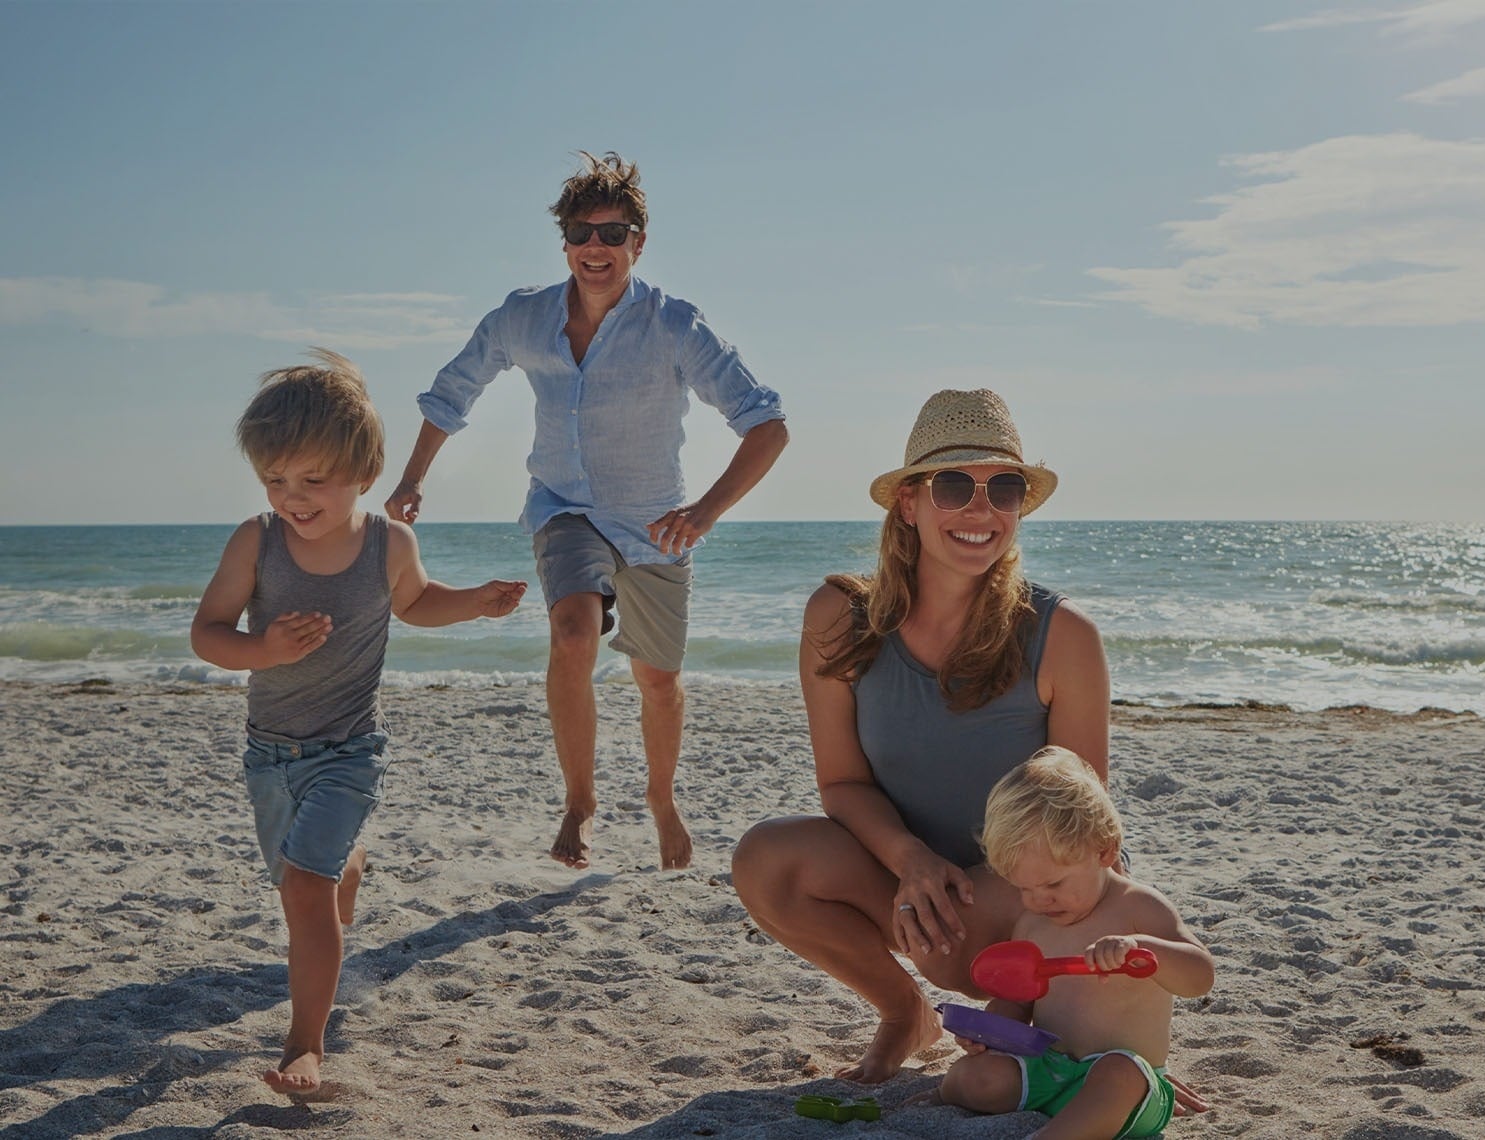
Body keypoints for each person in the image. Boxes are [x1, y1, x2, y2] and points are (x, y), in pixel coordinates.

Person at [385, 151, 788, 871]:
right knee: (574, 631)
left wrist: (705, 511)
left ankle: (661, 799)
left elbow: (767, 425)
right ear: (564, 241)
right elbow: (452, 392)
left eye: (613, 232)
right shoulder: (524, 318)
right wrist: (412, 479)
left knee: (658, 683)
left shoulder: (675, 326)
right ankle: (580, 802)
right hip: (563, 507)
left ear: (639, 242)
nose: (595, 247)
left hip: (657, 521)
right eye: (582, 232)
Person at [730, 387, 1103, 1084]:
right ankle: (906, 1013)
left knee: (947, 944)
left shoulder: (1064, 635)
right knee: (766, 860)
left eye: (1005, 489)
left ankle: (1012, 1002)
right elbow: (842, 784)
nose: (980, 511)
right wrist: (911, 862)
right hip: (905, 876)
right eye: (954, 485)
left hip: (1036, 893)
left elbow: (1082, 823)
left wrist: (989, 936)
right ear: (909, 503)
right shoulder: (840, 616)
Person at [191, 350, 526, 1095]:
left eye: (313, 480)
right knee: (308, 876)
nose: (293, 497)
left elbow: (414, 603)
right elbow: (207, 631)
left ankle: (305, 1044)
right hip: (269, 756)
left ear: (365, 474)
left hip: (350, 751)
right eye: (276, 480)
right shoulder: (257, 540)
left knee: (304, 892)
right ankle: (347, 862)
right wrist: (262, 650)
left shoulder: (387, 544)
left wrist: (472, 601)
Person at [931, 746, 1214, 1139]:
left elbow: (1200, 977)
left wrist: (1141, 947)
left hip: (1126, 1086)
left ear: (1104, 850)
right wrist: (990, 1034)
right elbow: (1019, 1001)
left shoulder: (1138, 907)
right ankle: (946, 1097)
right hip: (1051, 1072)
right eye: (1023, 888)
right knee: (975, 1077)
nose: (1037, 900)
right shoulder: (1034, 923)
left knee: (1120, 1073)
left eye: (1053, 884)